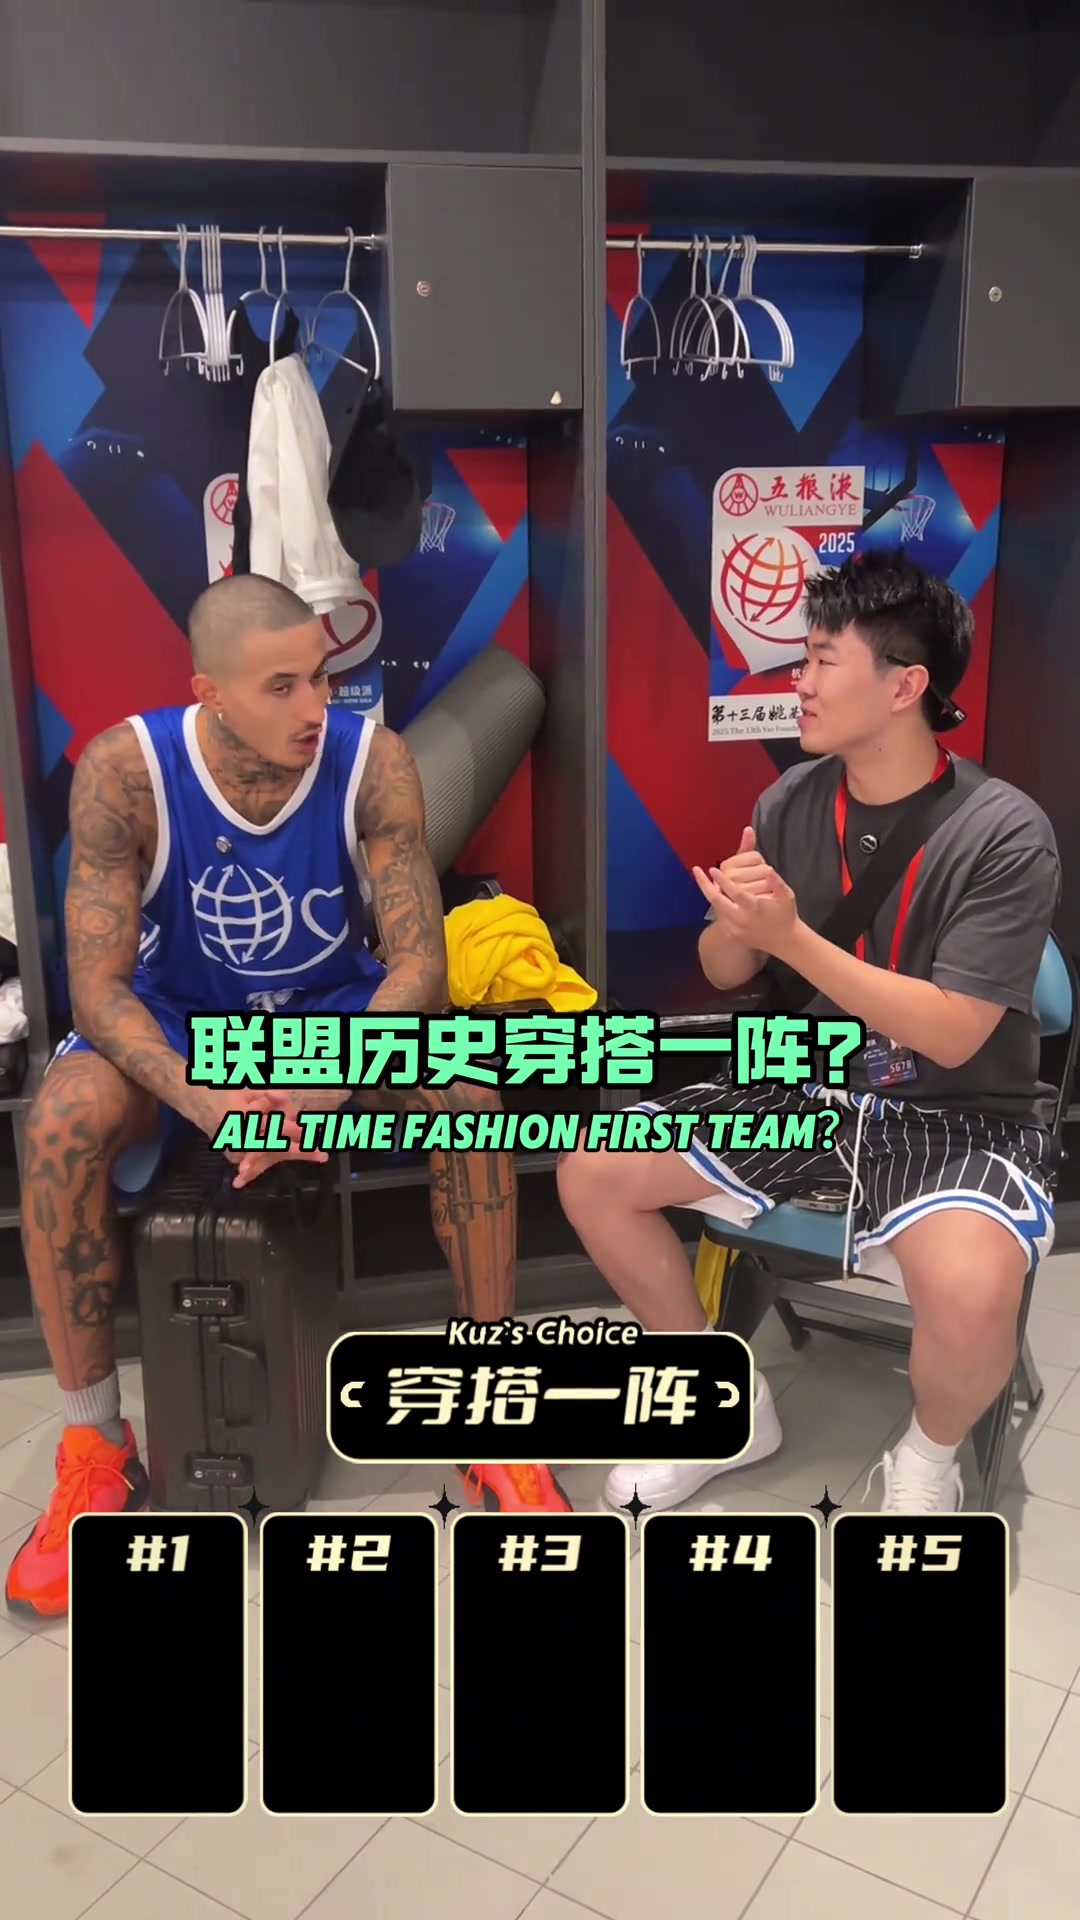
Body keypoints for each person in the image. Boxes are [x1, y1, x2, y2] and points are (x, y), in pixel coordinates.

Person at [7, 574, 568, 1621]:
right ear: (209, 693)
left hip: (331, 1017)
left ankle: (489, 1410)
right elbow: (100, 989)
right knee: (60, 1122)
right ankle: (96, 1445)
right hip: (182, 1023)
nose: (315, 706)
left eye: (320, 676)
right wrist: (205, 1100)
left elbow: (418, 968)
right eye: (282, 687)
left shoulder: (372, 762)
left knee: (468, 1098)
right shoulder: (126, 772)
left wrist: (327, 1080)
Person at [559, 550, 1061, 1517]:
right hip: (809, 1087)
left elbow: (956, 1036)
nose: (800, 681)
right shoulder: (790, 801)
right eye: (802, 659)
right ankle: (724, 1404)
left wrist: (791, 937)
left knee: (971, 1289)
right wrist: (738, 924)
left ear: (905, 685)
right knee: (594, 1171)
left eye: (825, 660)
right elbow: (724, 970)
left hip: (960, 1112)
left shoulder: (1003, 832)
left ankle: (929, 1459)